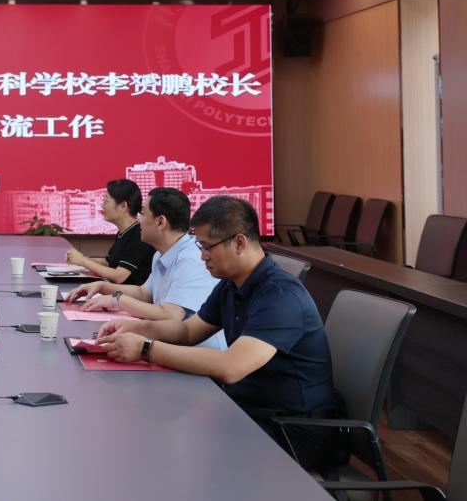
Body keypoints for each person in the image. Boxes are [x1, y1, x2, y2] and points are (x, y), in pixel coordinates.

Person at [95, 195, 339, 470]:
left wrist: (145, 348)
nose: (202, 256)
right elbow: (188, 331)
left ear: (239, 243)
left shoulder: (280, 296)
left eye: (207, 247)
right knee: (155, 426)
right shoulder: (231, 284)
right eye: (200, 246)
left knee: (175, 450)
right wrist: (137, 327)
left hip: (293, 430)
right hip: (251, 409)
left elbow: (231, 367)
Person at [67, 187, 225, 349]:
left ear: (161, 222)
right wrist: (103, 287)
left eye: (143, 214)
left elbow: (171, 315)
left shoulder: (191, 258)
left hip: (199, 353)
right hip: (171, 345)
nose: (139, 221)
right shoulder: (161, 253)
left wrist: (117, 300)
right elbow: (144, 293)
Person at [64, 179, 155, 285]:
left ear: (123, 206)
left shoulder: (139, 234)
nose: (102, 206)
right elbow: (110, 262)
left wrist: (83, 261)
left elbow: (119, 276)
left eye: (106, 201)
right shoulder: (124, 232)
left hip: (128, 294)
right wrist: (81, 259)